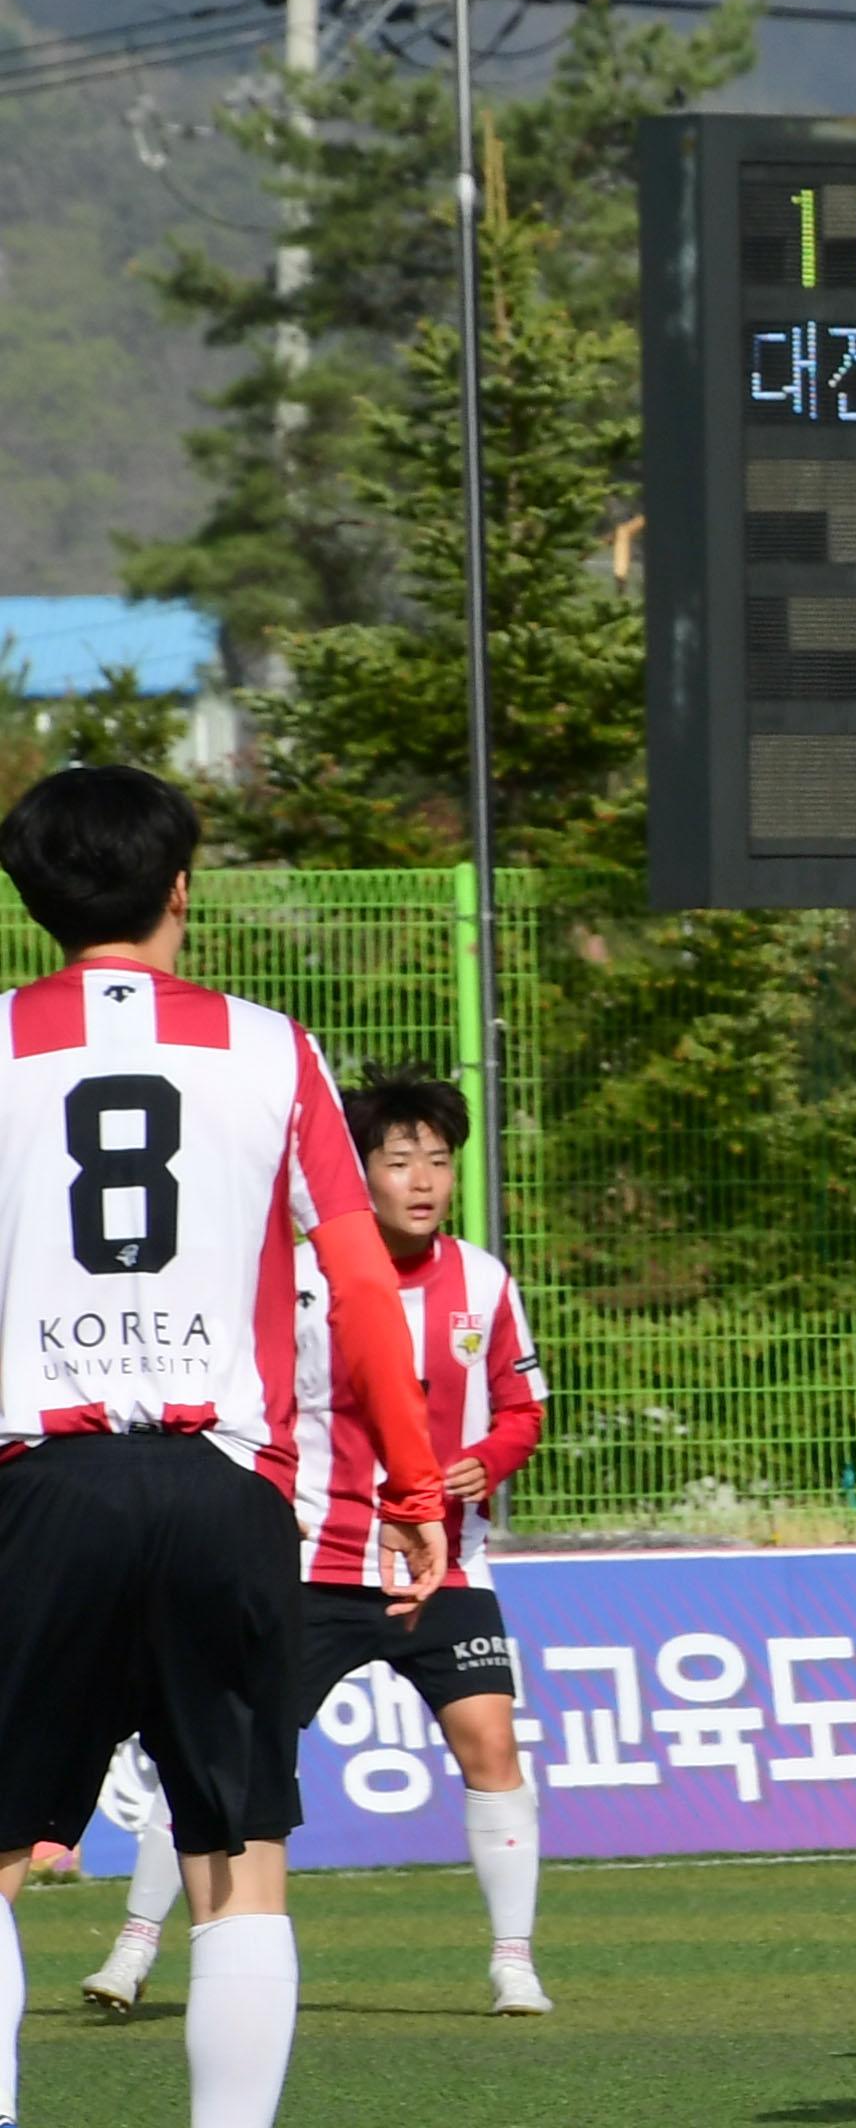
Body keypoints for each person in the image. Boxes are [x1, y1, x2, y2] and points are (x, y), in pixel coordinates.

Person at [0, 766, 447, 2128]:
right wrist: (416, 1485)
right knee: (239, 1853)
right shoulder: (273, 1047)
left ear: (30, 903)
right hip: (222, 1486)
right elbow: (364, 1287)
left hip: (37, 1487)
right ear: (182, 886)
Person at [84, 1067, 552, 2022]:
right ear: (359, 1173)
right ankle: (132, 1951)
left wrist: (486, 1461)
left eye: (439, 1161)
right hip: (308, 1563)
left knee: (491, 1741)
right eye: (398, 1159)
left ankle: (514, 1963)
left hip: (444, 1563)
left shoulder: (484, 1280)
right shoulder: (296, 1277)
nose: (423, 1179)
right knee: (225, 1757)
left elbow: (523, 1407)